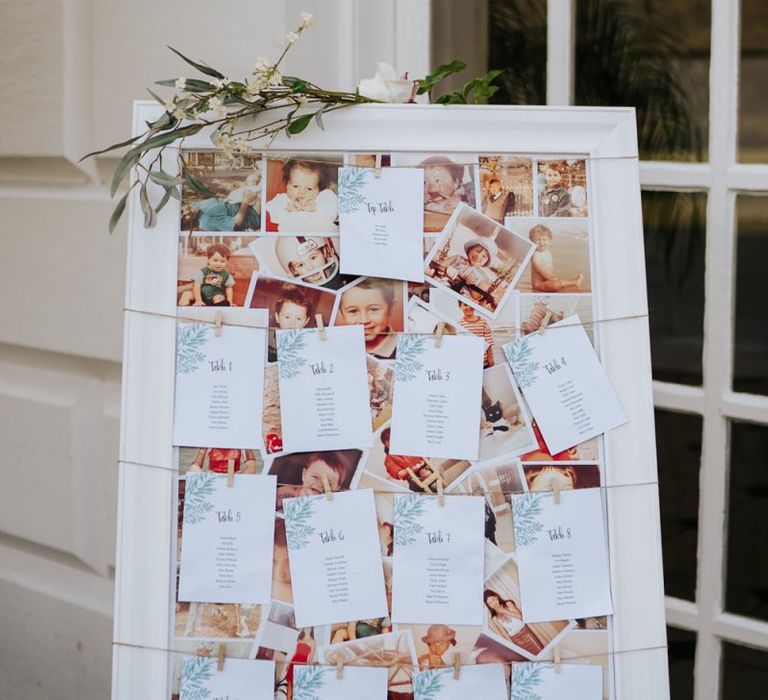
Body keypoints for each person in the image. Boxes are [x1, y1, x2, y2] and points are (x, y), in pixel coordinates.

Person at [266, 159, 339, 232]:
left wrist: (314, 207)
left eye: (309, 189)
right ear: (287, 185)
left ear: (319, 189)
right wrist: (287, 209)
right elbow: (269, 212)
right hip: (292, 238)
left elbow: (333, 211)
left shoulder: (324, 197)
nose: (302, 192)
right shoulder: (282, 199)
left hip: (322, 237)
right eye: (295, 186)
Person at [337, 279, 399, 359]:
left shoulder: (406, 347)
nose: (364, 320)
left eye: (373, 309)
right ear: (341, 312)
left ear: (391, 308)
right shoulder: (340, 349)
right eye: (353, 311)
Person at [274, 452, 348, 510]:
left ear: (336, 489)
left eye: (328, 483)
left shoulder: (330, 508)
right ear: (304, 474)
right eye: (315, 477)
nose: (319, 484)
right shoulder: (283, 493)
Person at [272, 235, 347, 289]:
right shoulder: (302, 292)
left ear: (325, 252)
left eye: (313, 257)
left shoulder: (346, 273)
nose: (311, 268)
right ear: (293, 271)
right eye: (300, 265)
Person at [184, 180, 261, 232]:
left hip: (236, 201)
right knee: (262, 193)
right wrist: (245, 202)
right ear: (187, 224)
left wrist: (233, 191)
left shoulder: (194, 205)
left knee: (253, 178)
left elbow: (221, 202)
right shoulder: (206, 222)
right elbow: (237, 222)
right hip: (249, 214)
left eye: (182, 210)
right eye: (185, 216)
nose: (187, 211)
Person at [483, 590, 544, 655]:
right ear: (489, 606)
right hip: (516, 639)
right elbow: (504, 634)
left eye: (493, 600)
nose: (493, 603)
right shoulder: (494, 618)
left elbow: (520, 616)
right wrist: (512, 646)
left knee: (540, 651)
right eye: (490, 603)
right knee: (529, 657)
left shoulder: (508, 603)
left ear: (496, 597)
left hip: (526, 632)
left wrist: (502, 610)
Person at [179, 243, 237, 307]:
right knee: (186, 294)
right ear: (208, 259)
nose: (218, 263)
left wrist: (230, 302)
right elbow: (196, 286)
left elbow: (229, 288)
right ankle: (183, 310)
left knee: (220, 298)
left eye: (222, 261)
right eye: (215, 260)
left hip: (216, 294)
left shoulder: (226, 275)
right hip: (200, 294)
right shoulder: (202, 272)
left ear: (227, 262)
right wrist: (198, 300)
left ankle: (213, 307)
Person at [528, 224, 583, 292]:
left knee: (556, 283)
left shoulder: (547, 252)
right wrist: (553, 278)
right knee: (556, 284)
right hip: (539, 284)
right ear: (532, 242)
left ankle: (575, 282)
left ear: (549, 240)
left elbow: (550, 268)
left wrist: (552, 278)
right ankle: (569, 283)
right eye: (538, 240)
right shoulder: (536, 255)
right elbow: (541, 270)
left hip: (548, 280)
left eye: (544, 239)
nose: (541, 242)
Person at [268, 285, 313, 362]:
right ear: (277, 317)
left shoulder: (308, 345)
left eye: (298, 318)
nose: (292, 323)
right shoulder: (266, 337)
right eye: (287, 317)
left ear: (306, 321)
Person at [457, 300, 495, 367]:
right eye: (465, 305)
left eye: (471, 304)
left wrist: (490, 357)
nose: (469, 307)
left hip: (484, 361)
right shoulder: (460, 324)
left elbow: (489, 341)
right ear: (460, 306)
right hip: (469, 361)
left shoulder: (483, 322)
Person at [188, 447, 258, 474]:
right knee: (193, 469)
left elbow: (252, 467)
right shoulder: (209, 439)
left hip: (235, 477)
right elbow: (195, 467)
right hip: (213, 477)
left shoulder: (241, 439)